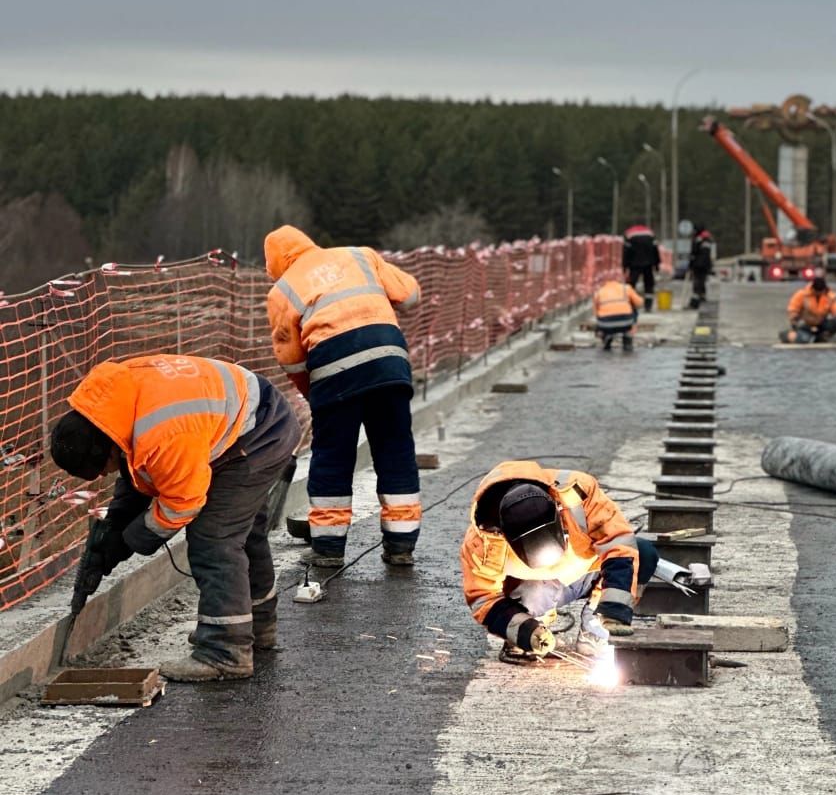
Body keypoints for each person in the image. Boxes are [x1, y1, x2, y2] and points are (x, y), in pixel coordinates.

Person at [49, 353, 301, 682]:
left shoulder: (160, 433)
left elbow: (182, 504)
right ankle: (255, 627)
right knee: (244, 532)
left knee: (215, 537)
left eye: (100, 470)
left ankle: (225, 652)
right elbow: (135, 474)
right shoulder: (112, 404)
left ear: (106, 448)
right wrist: (114, 530)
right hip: (239, 417)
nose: (102, 477)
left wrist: (131, 540)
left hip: (259, 434)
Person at [264, 225, 422, 570]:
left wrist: (316, 396)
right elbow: (409, 294)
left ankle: (329, 548)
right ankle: (401, 545)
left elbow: (291, 358)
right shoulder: (359, 255)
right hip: (390, 363)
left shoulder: (282, 291)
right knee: (395, 448)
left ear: (274, 264)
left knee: (332, 456)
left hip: (333, 373)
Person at [460, 460, 710, 663]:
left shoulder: (576, 493)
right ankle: (532, 631)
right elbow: (484, 599)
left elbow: (619, 544)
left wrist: (614, 609)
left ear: (557, 512)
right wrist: (523, 629)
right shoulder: (482, 542)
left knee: (643, 554)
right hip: (536, 589)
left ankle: (595, 629)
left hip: (585, 572)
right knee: (532, 601)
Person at [781, 275, 836, 343]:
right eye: (817, 291)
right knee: (803, 339)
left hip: (821, 323)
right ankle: (790, 335)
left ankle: (822, 337)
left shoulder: (828, 296)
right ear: (813, 289)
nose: (819, 293)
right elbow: (793, 308)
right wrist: (794, 319)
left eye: (821, 291)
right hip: (805, 324)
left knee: (833, 324)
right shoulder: (802, 295)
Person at [592, 278, 643, 351]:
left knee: (601, 314)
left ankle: (606, 335)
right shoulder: (626, 288)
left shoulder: (599, 292)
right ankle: (628, 335)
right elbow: (639, 303)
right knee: (633, 308)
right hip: (626, 322)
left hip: (605, 324)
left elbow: (595, 313)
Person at [622, 222, 661, 312]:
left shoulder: (629, 235)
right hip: (648, 264)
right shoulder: (650, 234)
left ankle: (631, 304)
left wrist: (624, 266)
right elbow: (655, 250)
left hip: (634, 264)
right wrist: (657, 264)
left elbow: (626, 252)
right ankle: (648, 305)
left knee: (632, 284)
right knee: (649, 284)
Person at [688, 223, 714, 308]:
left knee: (697, 283)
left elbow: (694, 253)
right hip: (706, 264)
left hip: (698, 264)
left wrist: (691, 264)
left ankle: (695, 303)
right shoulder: (708, 239)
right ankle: (702, 298)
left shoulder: (698, 239)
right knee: (702, 282)